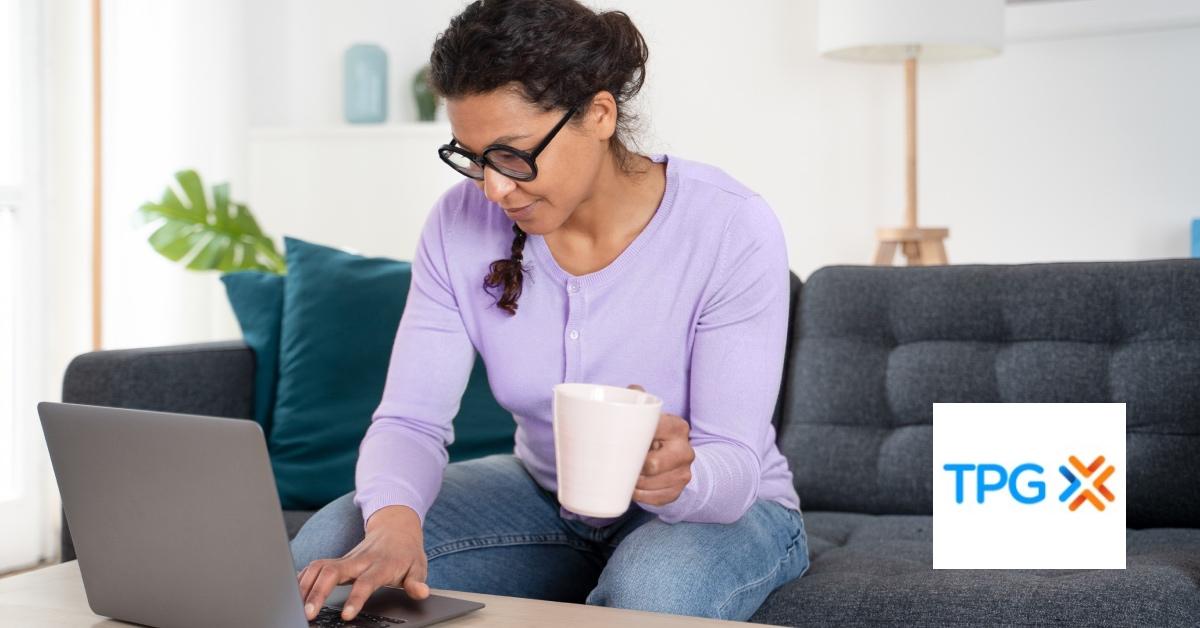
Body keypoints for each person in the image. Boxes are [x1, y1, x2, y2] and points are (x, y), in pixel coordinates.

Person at [290, 0, 809, 622]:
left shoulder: (729, 226)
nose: (493, 188)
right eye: (474, 156)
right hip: (543, 499)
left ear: (598, 114)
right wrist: (394, 524)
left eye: (512, 155)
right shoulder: (459, 223)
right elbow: (411, 421)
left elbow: (734, 463)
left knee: (653, 587)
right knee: (332, 546)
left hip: (716, 514)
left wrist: (683, 477)